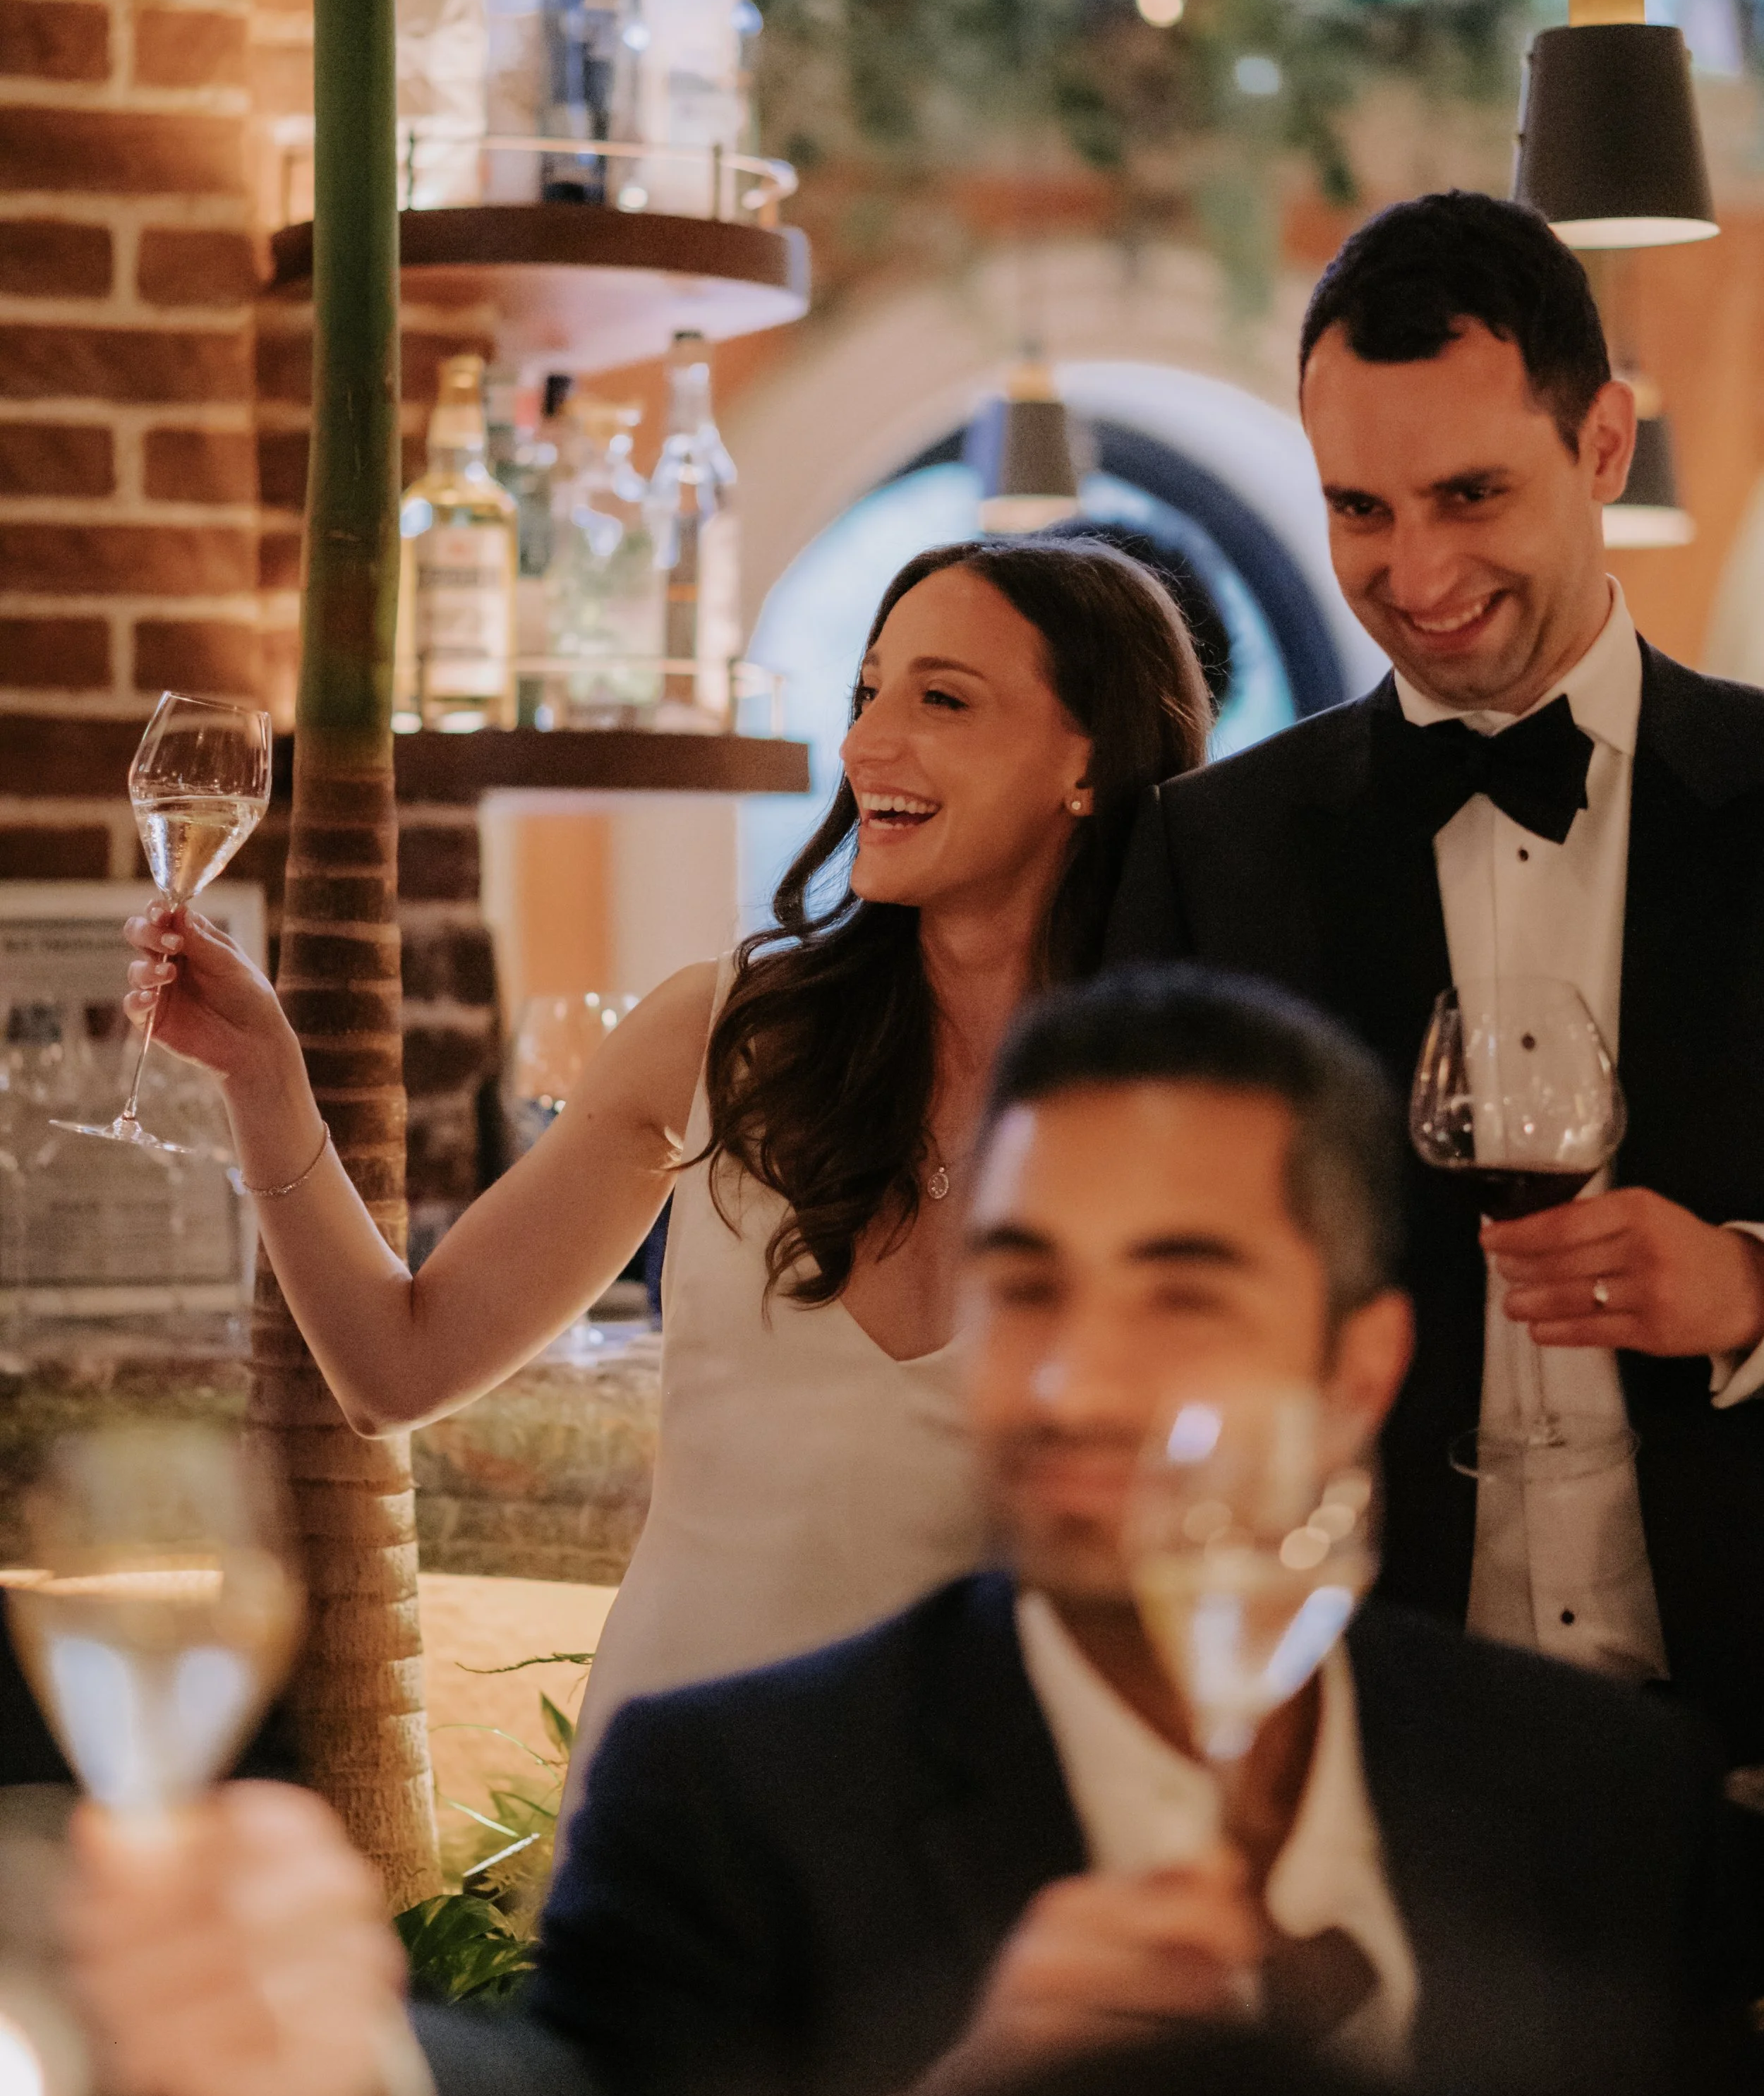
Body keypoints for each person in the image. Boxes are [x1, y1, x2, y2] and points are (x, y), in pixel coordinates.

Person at [63, 970, 1756, 2096]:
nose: (1081, 1375)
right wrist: (348, 2071)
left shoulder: (1593, 1804)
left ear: (1355, 1370)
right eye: (1026, 1287)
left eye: (1178, 1291)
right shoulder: (743, 1801)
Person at [123, 537, 1209, 1768]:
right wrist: (265, 1082)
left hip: (975, 1859)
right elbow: (398, 1366)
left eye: (941, 700)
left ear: (1091, 761)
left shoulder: (1188, 1119)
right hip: (666, 1821)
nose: (866, 746)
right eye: (867, 694)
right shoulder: (722, 1036)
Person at [1105, 190, 1764, 1763]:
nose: (1414, 569)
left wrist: (1749, 1289)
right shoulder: (1213, 850)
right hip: (1360, 1738)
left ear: (1601, 444)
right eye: (1358, 509)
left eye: (1470, 493)